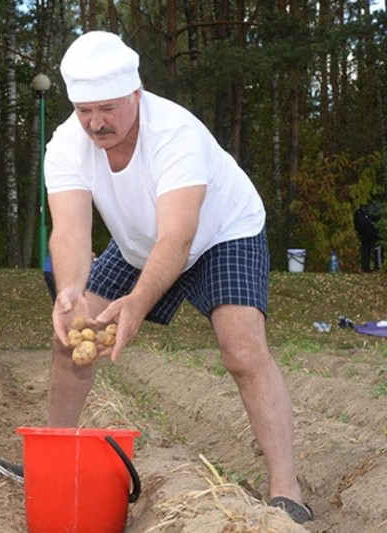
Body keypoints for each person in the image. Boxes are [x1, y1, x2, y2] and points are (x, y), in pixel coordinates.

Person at [42, 31, 310, 523]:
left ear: (135, 95)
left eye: (107, 109)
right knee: (70, 336)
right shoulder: (65, 145)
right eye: (84, 111)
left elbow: (178, 240)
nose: (96, 124)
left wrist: (136, 305)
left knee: (243, 350)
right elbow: (70, 232)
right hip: (138, 244)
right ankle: (53, 457)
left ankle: (286, 486)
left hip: (221, 233)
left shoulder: (175, 133)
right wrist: (71, 290)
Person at [353, 205, 382, 272]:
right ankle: (378, 267)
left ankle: (365, 267)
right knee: (377, 245)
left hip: (362, 225)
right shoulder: (380, 210)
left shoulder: (361, 211)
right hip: (371, 226)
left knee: (365, 246)